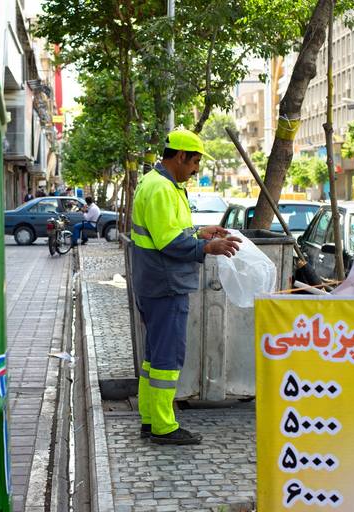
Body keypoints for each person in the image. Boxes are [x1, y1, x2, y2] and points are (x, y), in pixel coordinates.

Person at [131, 128, 241, 445]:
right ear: (180, 156)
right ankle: (164, 427)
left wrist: (199, 231)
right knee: (167, 359)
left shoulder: (158, 184)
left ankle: (150, 418)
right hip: (166, 284)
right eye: (194, 163)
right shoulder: (163, 188)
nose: (195, 170)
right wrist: (206, 248)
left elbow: (168, 229)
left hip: (153, 282)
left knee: (154, 359)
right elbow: (169, 241)